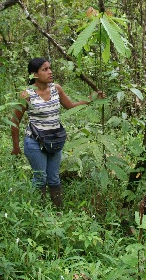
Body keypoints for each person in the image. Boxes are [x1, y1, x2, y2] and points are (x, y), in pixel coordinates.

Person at [11, 57, 104, 209]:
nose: (50, 72)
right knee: (40, 178)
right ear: (34, 74)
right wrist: (16, 147)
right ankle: (39, 213)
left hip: (55, 140)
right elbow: (15, 121)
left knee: (54, 178)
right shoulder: (26, 95)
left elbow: (71, 106)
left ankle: (58, 212)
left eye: (50, 68)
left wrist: (92, 99)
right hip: (35, 142)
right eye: (45, 69)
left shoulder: (56, 89)